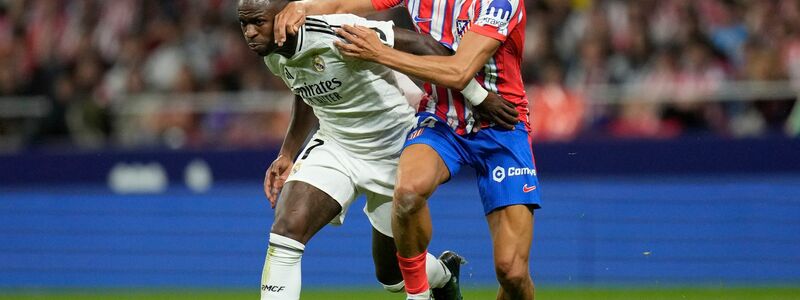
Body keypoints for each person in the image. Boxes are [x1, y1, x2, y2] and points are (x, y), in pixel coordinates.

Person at [237, 0, 514, 299]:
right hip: (336, 145)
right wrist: (288, 153)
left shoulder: (339, 31)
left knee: (392, 277)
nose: (250, 33)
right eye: (244, 24)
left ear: (283, 17)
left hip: (393, 148)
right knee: (286, 228)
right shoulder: (273, 54)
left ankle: (444, 275)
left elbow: (423, 44)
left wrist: (478, 96)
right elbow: (305, 89)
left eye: (258, 23)